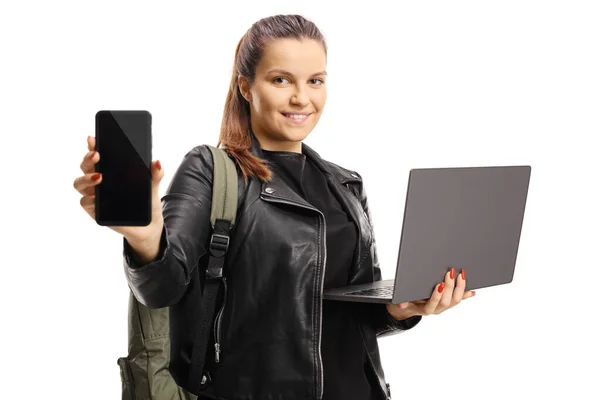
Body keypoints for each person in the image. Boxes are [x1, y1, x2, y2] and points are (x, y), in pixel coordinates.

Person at [73, 14, 475, 400]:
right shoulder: (213, 170)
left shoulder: (346, 184)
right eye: (281, 79)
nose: (302, 97)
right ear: (247, 87)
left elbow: (357, 313)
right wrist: (145, 239)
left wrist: (402, 309)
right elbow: (162, 289)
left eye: (315, 80)